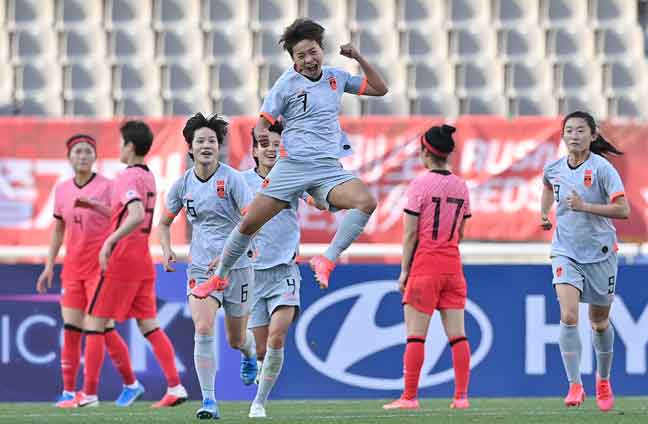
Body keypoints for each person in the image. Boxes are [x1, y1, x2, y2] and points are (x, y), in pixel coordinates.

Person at [191, 18, 388, 298]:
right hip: (292, 167)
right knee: (249, 225)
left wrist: (357, 57)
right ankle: (219, 278)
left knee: (366, 202)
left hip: (327, 169)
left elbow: (380, 89)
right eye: (301, 55)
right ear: (293, 58)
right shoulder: (286, 84)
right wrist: (261, 135)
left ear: (321, 49)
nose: (309, 60)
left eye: (313, 52)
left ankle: (327, 258)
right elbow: (263, 122)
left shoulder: (336, 77)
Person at [59, 121, 187, 408]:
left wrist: (110, 241)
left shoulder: (127, 176)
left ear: (129, 146)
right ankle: (175, 386)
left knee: (94, 322)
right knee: (149, 324)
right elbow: (127, 211)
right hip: (142, 258)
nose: (118, 148)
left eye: (120, 143)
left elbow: (136, 214)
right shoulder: (147, 175)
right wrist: (95, 207)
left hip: (123, 259)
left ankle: (89, 394)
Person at [158, 113, 257, 419]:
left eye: (211, 140)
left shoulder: (233, 180)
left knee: (236, 338)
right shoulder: (181, 186)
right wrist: (166, 249)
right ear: (190, 147)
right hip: (201, 268)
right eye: (200, 140)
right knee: (202, 327)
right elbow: (163, 223)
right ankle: (210, 401)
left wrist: (228, 253)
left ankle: (250, 353)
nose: (206, 145)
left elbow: (251, 221)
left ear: (219, 146)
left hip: (237, 267)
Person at [36, 134, 143, 407]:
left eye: (87, 151)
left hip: (101, 267)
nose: (82, 156)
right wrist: (49, 264)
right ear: (69, 157)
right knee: (72, 327)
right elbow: (59, 228)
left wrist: (95, 205)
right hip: (72, 268)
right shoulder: (61, 190)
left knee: (99, 327)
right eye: (77, 152)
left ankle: (91, 393)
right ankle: (71, 391)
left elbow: (123, 217)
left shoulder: (109, 186)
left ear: (95, 157)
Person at [541, 111, 629, 411]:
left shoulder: (602, 169)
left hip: (601, 254)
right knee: (568, 316)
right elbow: (546, 185)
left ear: (593, 135)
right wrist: (544, 213)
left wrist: (584, 206)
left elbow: (623, 210)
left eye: (580, 130)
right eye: (569, 130)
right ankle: (574, 385)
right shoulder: (554, 168)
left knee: (599, 321)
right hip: (565, 251)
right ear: (563, 135)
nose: (574, 135)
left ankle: (602, 380)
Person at [383, 125, 472, 411]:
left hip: (425, 264)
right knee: (458, 335)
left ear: (425, 152)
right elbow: (461, 231)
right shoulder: (461, 185)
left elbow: (410, 234)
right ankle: (461, 397)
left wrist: (404, 272)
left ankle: (409, 397)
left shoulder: (419, 185)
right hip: (452, 264)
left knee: (415, 335)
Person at [241, 120, 325, 418]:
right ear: (254, 150)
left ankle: (259, 402)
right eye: (265, 144)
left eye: (277, 145)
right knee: (260, 348)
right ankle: (250, 355)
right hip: (252, 275)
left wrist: (330, 193)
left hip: (285, 271)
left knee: (278, 336)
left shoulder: (292, 178)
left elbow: (319, 201)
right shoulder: (241, 183)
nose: (271, 150)